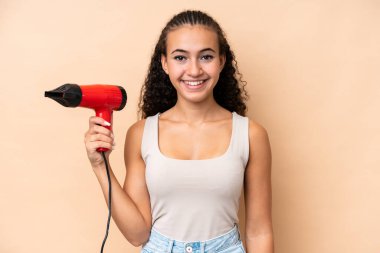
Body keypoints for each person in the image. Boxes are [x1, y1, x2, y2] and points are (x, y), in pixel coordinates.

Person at [84, 10, 274, 253]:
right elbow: (137, 234)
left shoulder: (251, 135)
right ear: (164, 63)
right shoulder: (141, 134)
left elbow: (259, 232)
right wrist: (100, 165)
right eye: (180, 58)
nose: (194, 70)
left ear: (222, 61)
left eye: (206, 56)